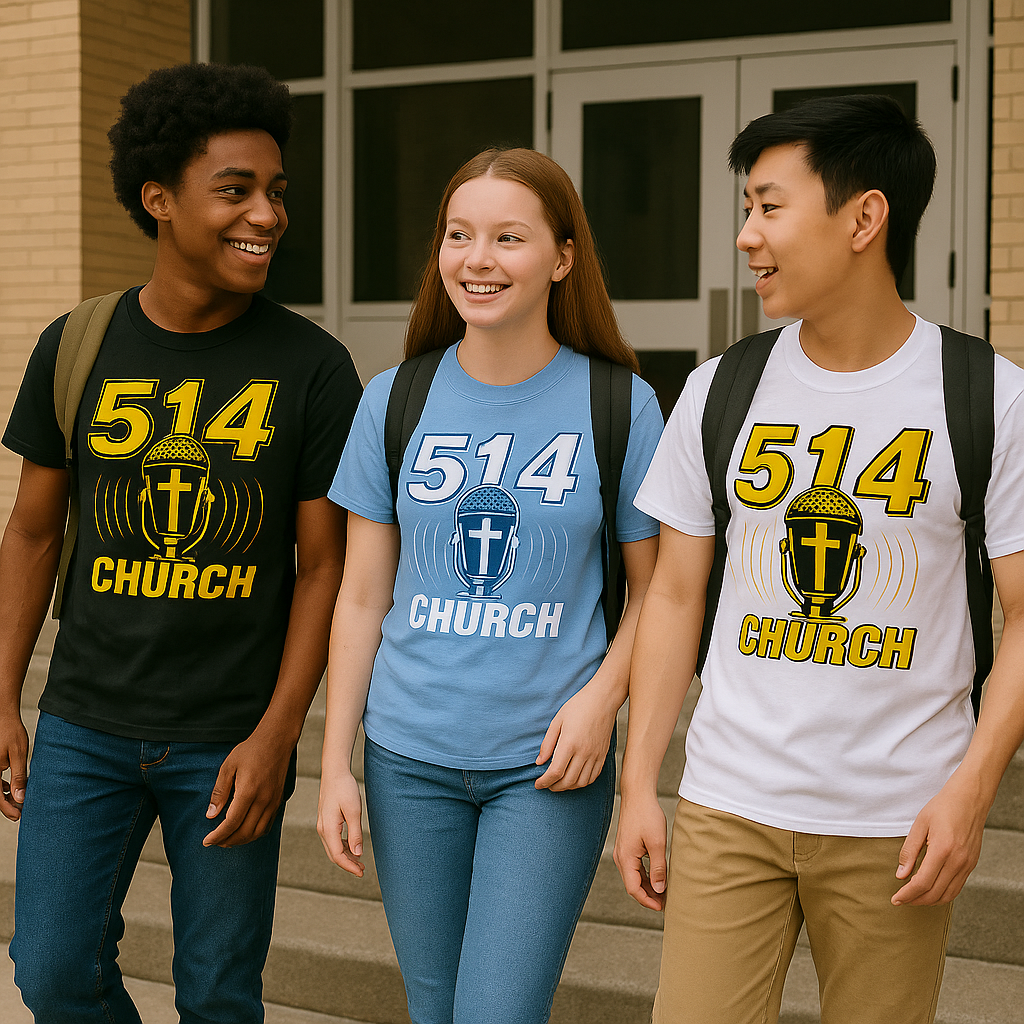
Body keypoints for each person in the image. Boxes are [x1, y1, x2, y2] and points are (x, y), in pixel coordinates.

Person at [614, 94, 1024, 1024]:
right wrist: (642, 784)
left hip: (897, 822)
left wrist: (970, 794)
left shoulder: (988, 397)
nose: (745, 237)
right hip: (729, 806)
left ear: (863, 218)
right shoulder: (722, 388)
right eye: (747, 209)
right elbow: (676, 596)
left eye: (768, 206)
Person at [0, 62, 361, 1023]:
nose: (268, 215)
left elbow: (325, 567)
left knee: (216, 994)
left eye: (276, 192)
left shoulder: (313, 368)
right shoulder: (78, 344)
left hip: (228, 736)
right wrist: (2, 695)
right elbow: (33, 534)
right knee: (50, 966)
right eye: (235, 190)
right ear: (159, 199)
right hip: (85, 723)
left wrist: (281, 734)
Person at [317, 147, 663, 1024]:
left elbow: (660, 596)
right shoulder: (393, 399)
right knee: (436, 1011)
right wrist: (335, 763)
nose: (478, 259)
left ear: (562, 257)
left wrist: (601, 702)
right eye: (459, 235)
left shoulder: (619, 405)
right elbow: (361, 597)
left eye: (509, 238)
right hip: (408, 759)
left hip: (545, 766)